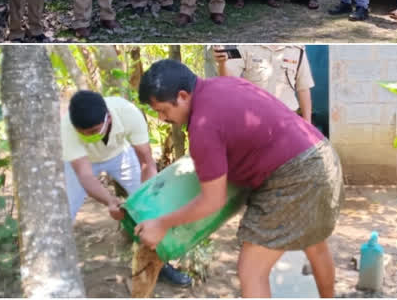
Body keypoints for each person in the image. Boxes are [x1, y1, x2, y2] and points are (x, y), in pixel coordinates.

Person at [136, 60, 343, 298]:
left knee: (251, 271)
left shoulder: (203, 125)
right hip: (323, 156)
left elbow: (213, 200)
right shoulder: (226, 84)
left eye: (163, 110)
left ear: (182, 96)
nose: (162, 118)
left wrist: (161, 223)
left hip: (296, 176)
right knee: (315, 244)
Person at [61, 90, 191, 287]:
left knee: (151, 208)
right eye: (83, 134)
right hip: (83, 162)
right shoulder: (67, 128)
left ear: (109, 118)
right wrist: (109, 201)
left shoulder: (127, 112)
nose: (89, 136)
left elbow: (147, 162)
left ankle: (161, 262)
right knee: (63, 213)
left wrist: (149, 199)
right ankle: (58, 271)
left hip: (119, 155)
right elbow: (85, 175)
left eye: (94, 130)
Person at [213, 45, 313, 121]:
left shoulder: (297, 50)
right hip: (256, 118)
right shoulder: (246, 47)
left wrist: (308, 124)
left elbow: (303, 88)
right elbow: (228, 81)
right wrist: (222, 64)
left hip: (288, 119)